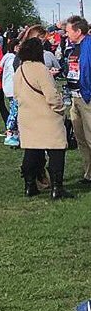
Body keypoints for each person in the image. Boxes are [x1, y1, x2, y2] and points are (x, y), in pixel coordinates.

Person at [14, 38, 73, 199]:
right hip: (46, 118)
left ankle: (30, 185)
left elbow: (17, 94)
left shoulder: (20, 70)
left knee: (31, 152)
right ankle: (57, 188)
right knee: (56, 152)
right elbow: (52, 96)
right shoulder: (41, 69)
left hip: (27, 117)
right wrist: (61, 109)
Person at [65, 16, 91, 185]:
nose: (66, 34)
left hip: (87, 97)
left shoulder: (88, 46)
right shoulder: (73, 48)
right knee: (81, 139)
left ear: (78, 31)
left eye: (68, 31)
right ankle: (89, 173)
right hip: (75, 97)